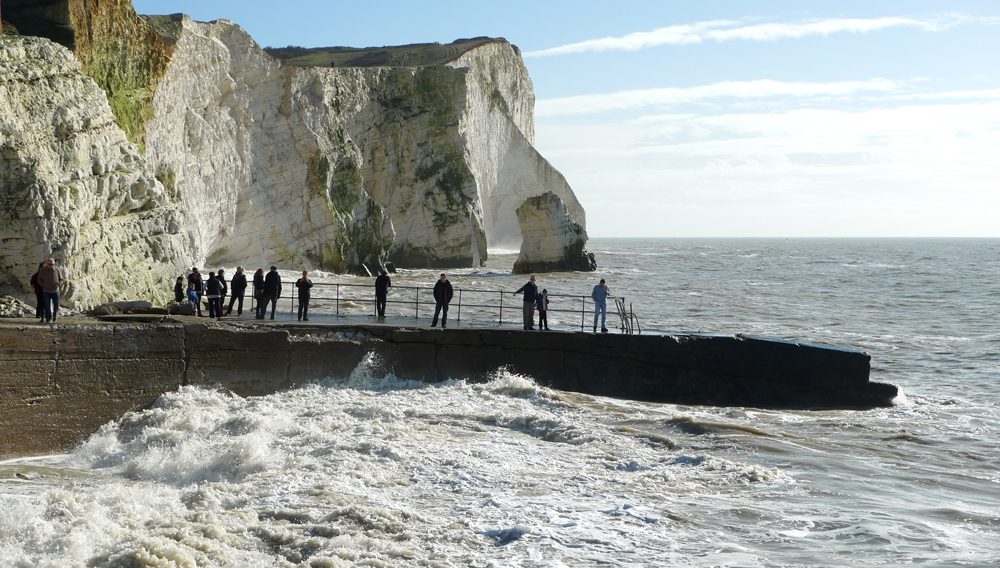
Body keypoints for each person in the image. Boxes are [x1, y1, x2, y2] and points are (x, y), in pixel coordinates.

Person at [37, 258, 62, 323]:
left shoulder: (57, 270)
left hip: (55, 291)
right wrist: (43, 285)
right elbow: (39, 279)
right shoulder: (43, 270)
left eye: (52, 264)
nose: (51, 266)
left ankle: (55, 316)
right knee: (47, 306)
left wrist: (59, 284)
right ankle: (48, 318)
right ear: (47, 264)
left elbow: (61, 279)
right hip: (46, 291)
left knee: (56, 305)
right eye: (50, 264)